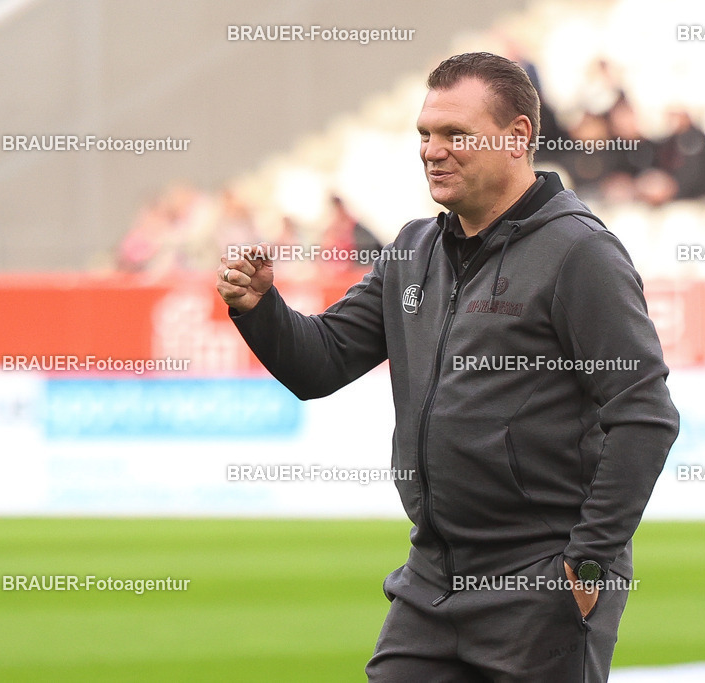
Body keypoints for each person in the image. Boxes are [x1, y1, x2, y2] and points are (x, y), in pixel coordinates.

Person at [216, 52, 679, 682]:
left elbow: (645, 415)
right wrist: (260, 308)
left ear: (517, 136)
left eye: (456, 134)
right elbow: (320, 363)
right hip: (432, 578)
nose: (433, 151)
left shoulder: (581, 252)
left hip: (540, 581)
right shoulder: (413, 249)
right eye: (425, 134)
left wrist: (589, 564)